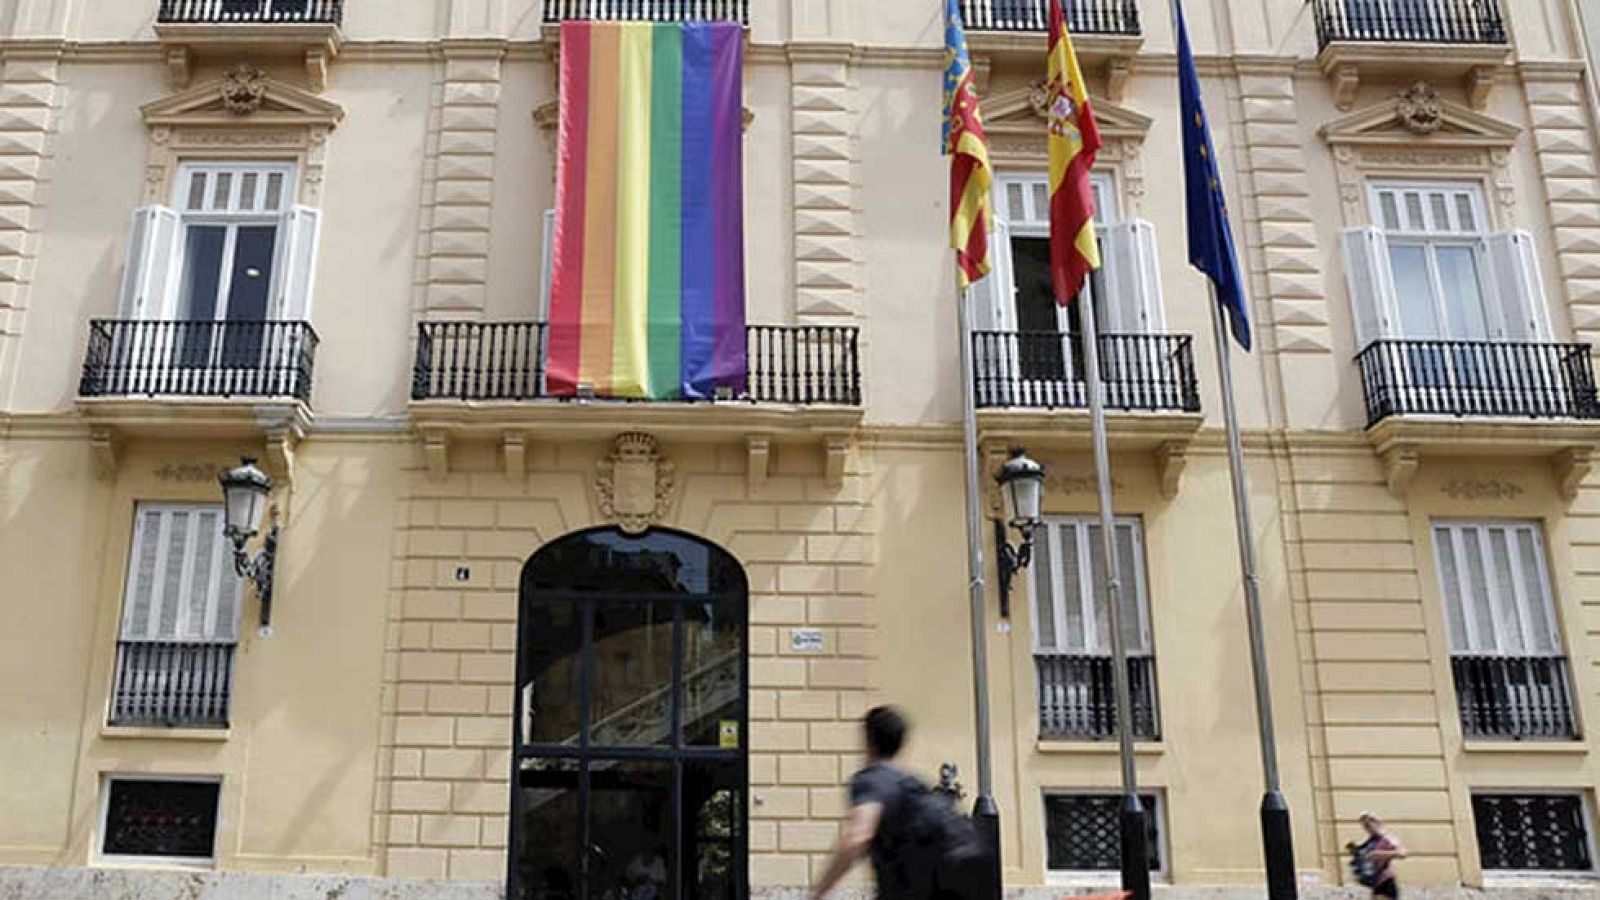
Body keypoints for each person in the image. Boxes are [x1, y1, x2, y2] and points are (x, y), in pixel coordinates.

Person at [810, 706, 935, 900]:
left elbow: (858, 837)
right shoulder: (916, 784)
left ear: (869, 741)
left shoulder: (872, 780)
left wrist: (818, 893)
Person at [1350, 811, 1407, 899]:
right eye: (1365, 826)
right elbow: (1365, 855)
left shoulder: (1388, 838)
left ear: (1377, 823)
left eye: (1368, 825)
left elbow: (1403, 853)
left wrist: (1381, 854)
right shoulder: (1370, 841)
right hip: (1375, 882)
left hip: (1386, 881)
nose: (1367, 829)